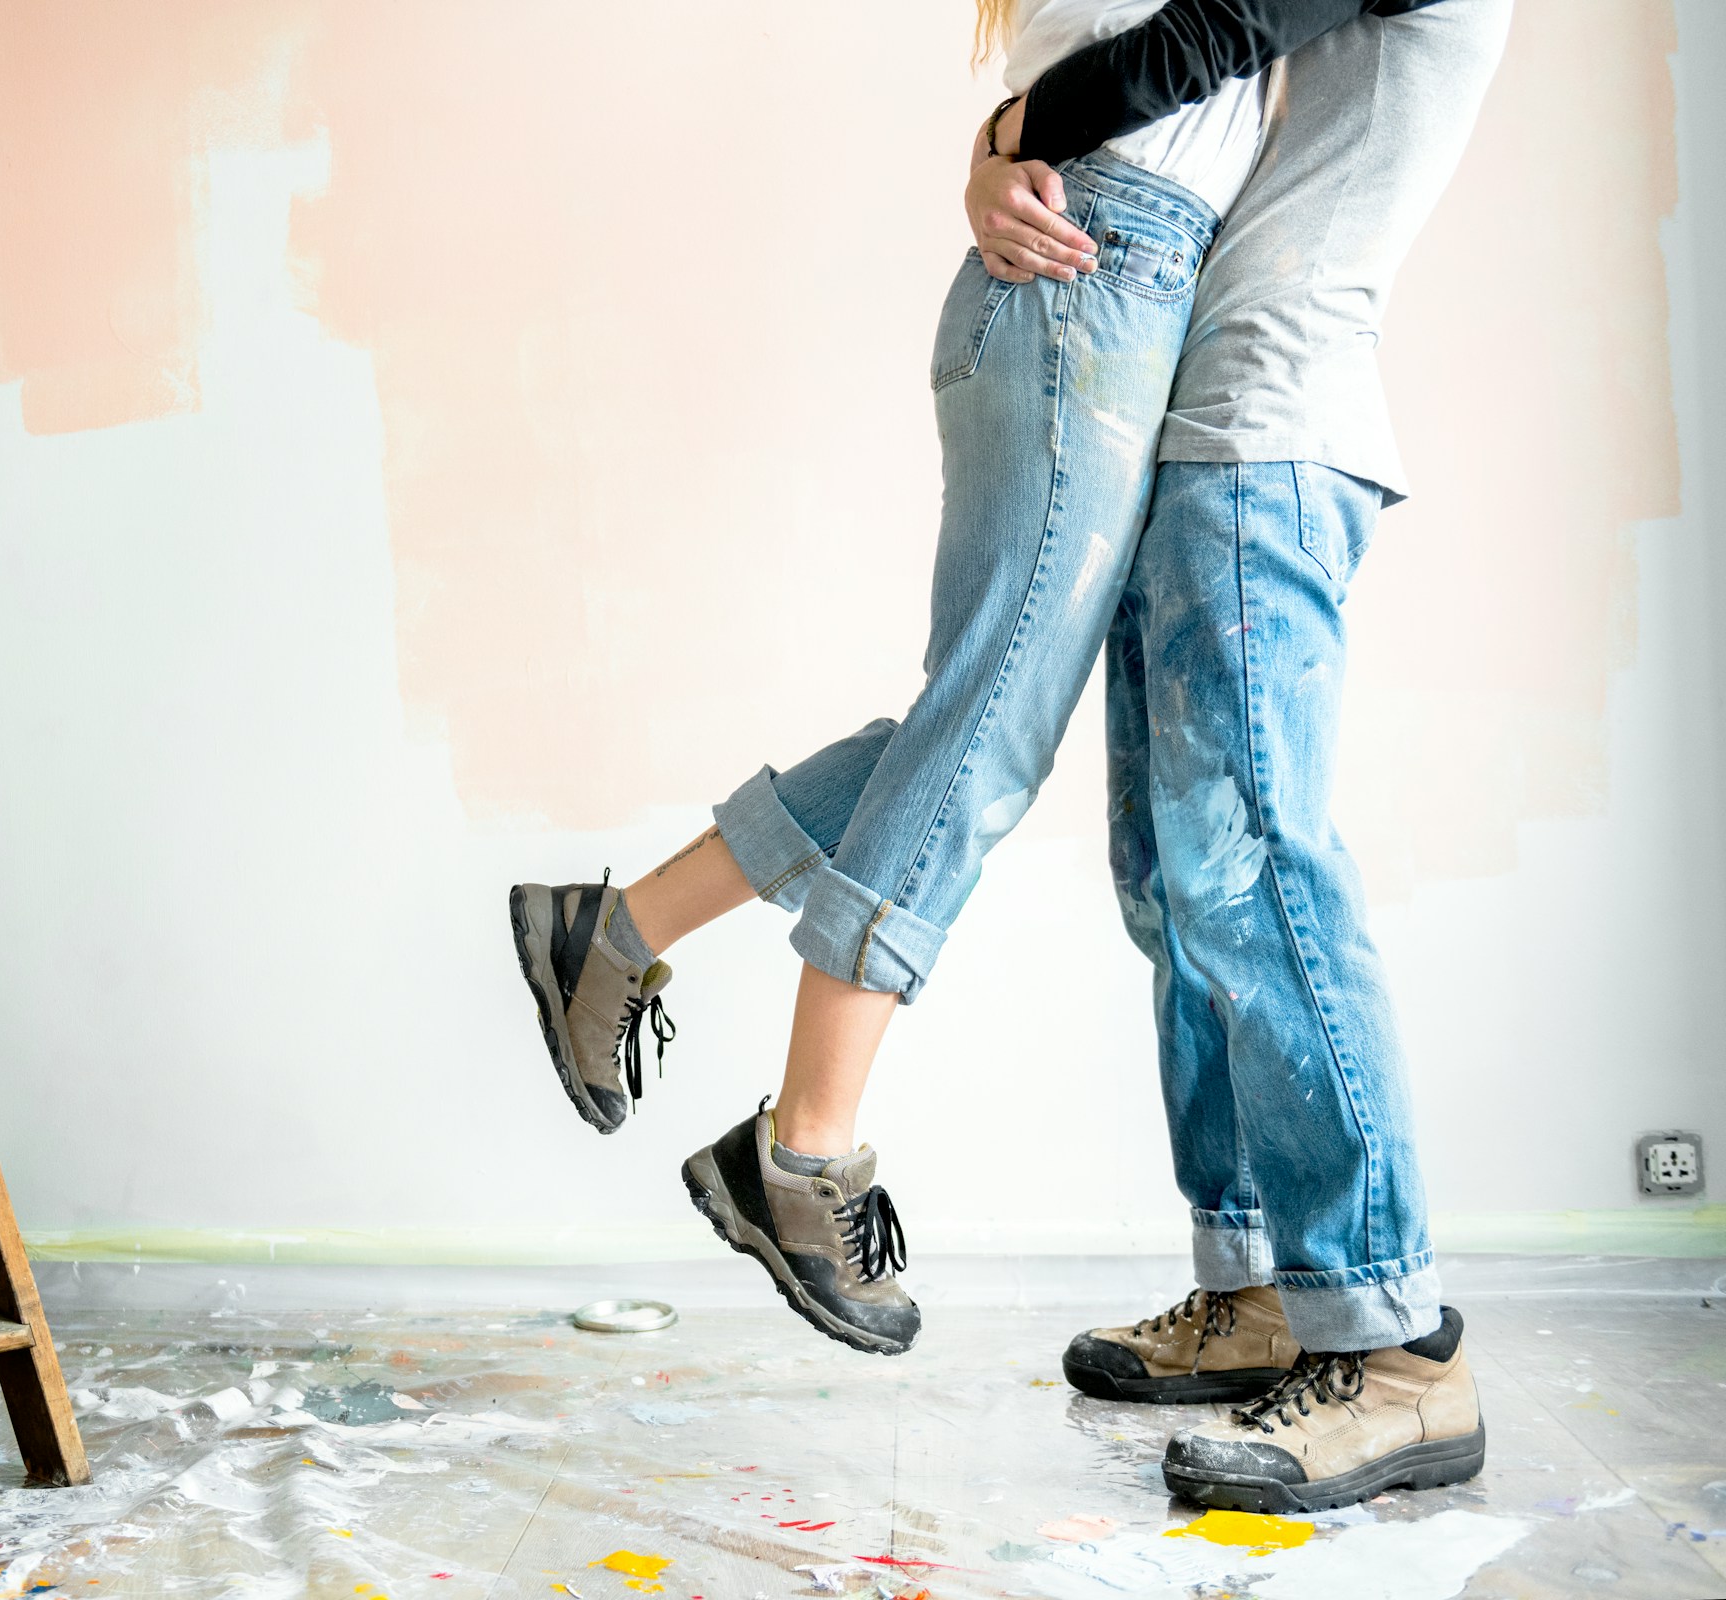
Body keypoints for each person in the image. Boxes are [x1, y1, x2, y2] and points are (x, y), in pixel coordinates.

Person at [508, 0, 1505, 1511]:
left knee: (1245, 866)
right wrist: (1005, 144)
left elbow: (1222, 28)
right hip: (1162, 362)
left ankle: (1390, 1339)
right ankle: (1249, 1287)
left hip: (1265, 412)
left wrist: (1013, 136)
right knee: (1163, 874)